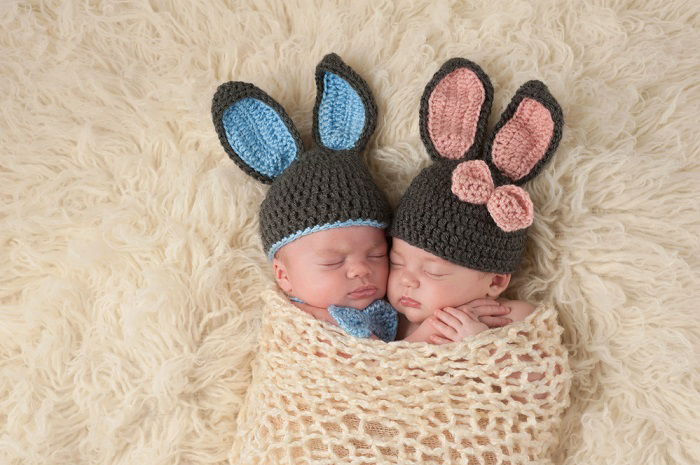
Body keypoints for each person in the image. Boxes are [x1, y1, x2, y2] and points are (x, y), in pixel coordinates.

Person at [387, 56, 563, 344]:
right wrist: (418, 342)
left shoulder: (510, 317)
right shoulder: (390, 323)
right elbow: (372, 379)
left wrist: (481, 344)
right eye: (396, 263)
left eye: (434, 270)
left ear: (494, 281)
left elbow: (545, 383)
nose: (407, 280)